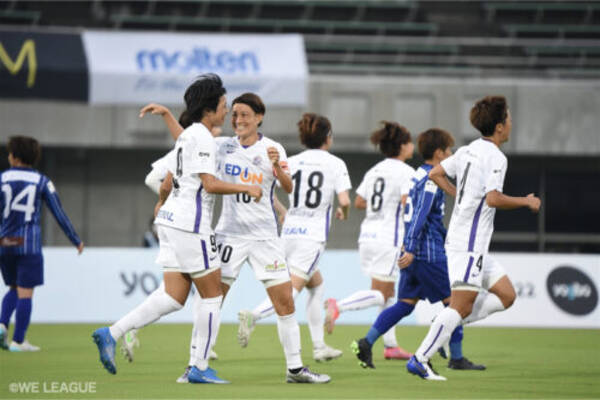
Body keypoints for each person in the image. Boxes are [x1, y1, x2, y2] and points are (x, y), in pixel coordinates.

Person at [91, 74, 261, 384]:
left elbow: (168, 181)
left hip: (170, 222)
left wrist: (161, 201)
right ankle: (198, 367)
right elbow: (210, 184)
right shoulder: (203, 138)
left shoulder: (188, 137)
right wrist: (246, 188)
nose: (227, 111)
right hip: (191, 225)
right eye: (224, 105)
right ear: (209, 108)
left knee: (172, 296)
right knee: (212, 296)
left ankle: (112, 333)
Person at [406, 96, 541, 381]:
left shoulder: (467, 150)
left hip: (471, 241)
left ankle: (444, 323)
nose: (511, 123)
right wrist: (525, 201)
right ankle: (420, 359)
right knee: (462, 305)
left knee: (507, 295)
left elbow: (436, 173)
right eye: (509, 118)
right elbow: (492, 199)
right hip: (468, 242)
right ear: (500, 126)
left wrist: (458, 195)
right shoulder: (496, 157)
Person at [213, 93, 330, 383]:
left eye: (244, 115)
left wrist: (276, 166)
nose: (238, 120)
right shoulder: (222, 146)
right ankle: (197, 363)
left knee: (285, 302)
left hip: (265, 238)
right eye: (234, 114)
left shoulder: (273, 148)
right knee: (213, 300)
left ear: (259, 117)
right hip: (229, 235)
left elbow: (288, 188)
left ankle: (295, 370)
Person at [351, 128, 484, 371]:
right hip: (427, 253)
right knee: (455, 303)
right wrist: (412, 248)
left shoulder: (417, 176)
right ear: (439, 153)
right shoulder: (431, 178)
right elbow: (421, 215)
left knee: (405, 304)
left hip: (414, 250)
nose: (451, 154)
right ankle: (455, 357)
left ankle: (366, 342)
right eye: (448, 150)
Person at [236, 113, 351, 363]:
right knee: (289, 294)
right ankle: (254, 315)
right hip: (312, 238)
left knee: (317, 285)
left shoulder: (293, 161)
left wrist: (282, 211)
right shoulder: (335, 163)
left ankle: (319, 347)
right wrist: (344, 210)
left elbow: (269, 192)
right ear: (328, 138)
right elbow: (344, 200)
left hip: (288, 233)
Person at [324, 121, 414, 361]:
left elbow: (359, 201)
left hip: (368, 236)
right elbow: (406, 202)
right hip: (389, 237)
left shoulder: (375, 170)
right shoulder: (407, 172)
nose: (412, 145)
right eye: (409, 142)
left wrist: (380, 204)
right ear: (402, 146)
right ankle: (338, 306)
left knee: (389, 292)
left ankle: (391, 346)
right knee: (382, 295)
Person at [0, 136, 84, 352]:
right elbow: (58, 212)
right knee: (25, 292)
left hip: (5, 243)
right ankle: (18, 341)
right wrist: (75, 239)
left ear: (14, 156)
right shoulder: (42, 181)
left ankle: (2, 324)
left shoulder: (2, 178)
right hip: (28, 244)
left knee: (13, 287)